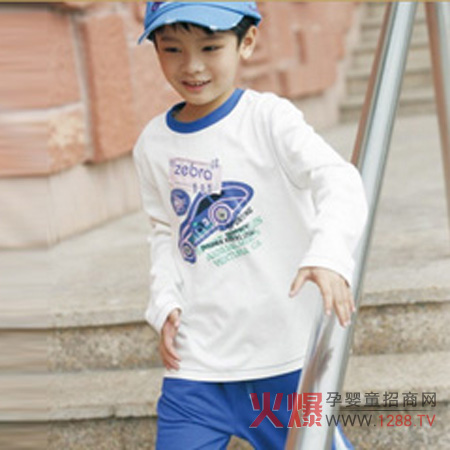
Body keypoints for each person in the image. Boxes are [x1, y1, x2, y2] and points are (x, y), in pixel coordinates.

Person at [132, 2, 368, 449]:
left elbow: (338, 178)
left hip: (283, 361)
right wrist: (164, 301)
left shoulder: (268, 119)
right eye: (172, 49)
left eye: (210, 47)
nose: (192, 65)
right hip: (196, 369)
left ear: (247, 41)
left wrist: (329, 254)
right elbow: (164, 230)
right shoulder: (152, 144)